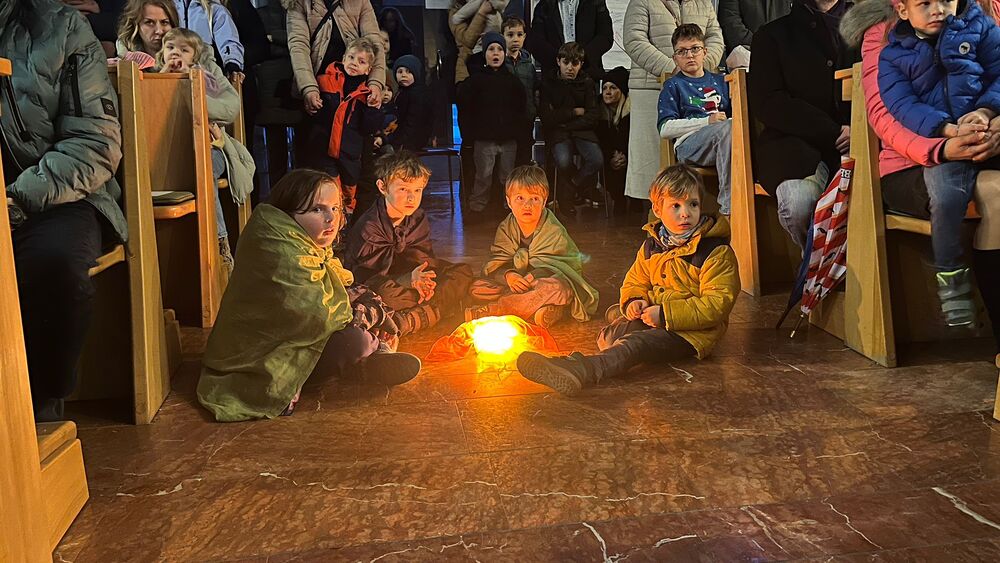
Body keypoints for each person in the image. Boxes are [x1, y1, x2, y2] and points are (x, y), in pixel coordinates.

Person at [197, 169, 421, 422]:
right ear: (289, 213)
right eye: (317, 209)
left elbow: (338, 287)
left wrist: (374, 306)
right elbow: (319, 315)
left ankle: (368, 357)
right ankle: (365, 358)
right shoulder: (279, 249)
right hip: (261, 356)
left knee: (367, 310)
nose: (331, 218)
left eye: (335, 208)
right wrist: (373, 317)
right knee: (354, 341)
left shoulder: (302, 242)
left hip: (299, 331)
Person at [841, 0, 1000, 341]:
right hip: (917, 160)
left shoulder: (979, 20)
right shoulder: (886, 37)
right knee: (994, 194)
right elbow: (888, 113)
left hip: (983, 138)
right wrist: (942, 144)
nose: (937, 9)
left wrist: (993, 120)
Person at [3, 0, 126, 421]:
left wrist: (17, 199)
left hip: (56, 192)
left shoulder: (62, 27)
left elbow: (94, 143)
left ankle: (39, 407)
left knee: (53, 263)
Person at [516, 165, 740, 395]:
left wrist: (665, 314)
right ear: (657, 209)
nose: (686, 213)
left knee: (635, 345)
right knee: (609, 337)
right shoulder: (653, 245)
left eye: (693, 204)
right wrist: (635, 300)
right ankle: (621, 326)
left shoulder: (714, 251)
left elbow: (717, 305)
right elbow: (635, 281)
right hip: (656, 316)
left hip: (692, 332)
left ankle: (581, 369)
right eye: (676, 205)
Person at [748, 0, 856, 252]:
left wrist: (859, 129)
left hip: (864, 142)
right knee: (799, 205)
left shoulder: (871, 28)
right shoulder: (771, 35)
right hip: (795, 146)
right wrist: (833, 131)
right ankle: (817, 267)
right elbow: (768, 102)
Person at [344, 152, 474, 335]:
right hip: (383, 282)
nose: (411, 198)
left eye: (417, 190)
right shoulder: (369, 226)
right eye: (403, 189)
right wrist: (408, 280)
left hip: (412, 277)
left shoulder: (417, 217)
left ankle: (418, 314)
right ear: (382, 187)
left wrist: (424, 282)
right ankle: (435, 310)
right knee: (384, 295)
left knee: (462, 272)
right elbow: (369, 278)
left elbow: (424, 259)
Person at [156, 27, 249, 272]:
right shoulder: (154, 71)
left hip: (208, 144)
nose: (175, 53)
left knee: (203, 165)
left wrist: (188, 85)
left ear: (194, 56)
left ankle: (220, 244)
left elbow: (225, 108)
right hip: (166, 147)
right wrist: (165, 78)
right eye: (170, 48)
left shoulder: (204, 76)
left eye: (183, 50)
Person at [466, 165, 600, 327]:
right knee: (477, 288)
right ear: (509, 202)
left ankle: (497, 310)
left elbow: (562, 267)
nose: (527, 205)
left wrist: (532, 277)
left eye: (535, 199)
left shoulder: (554, 230)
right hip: (514, 284)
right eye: (520, 198)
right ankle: (544, 308)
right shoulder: (506, 227)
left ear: (544, 201)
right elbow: (496, 262)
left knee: (558, 289)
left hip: (541, 282)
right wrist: (509, 275)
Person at [623, 0, 723, 204]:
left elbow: (715, 38)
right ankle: (655, 210)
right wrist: (674, 68)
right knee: (652, 161)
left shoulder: (703, 3)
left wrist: (698, 66)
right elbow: (634, 39)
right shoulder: (642, 2)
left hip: (699, 86)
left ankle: (699, 207)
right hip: (651, 86)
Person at [658, 24, 733, 215]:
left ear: (704, 52)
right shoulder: (673, 85)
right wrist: (707, 121)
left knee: (738, 128)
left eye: (695, 49)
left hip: (724, 139)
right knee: (728, 129)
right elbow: (665, 129)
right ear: (675, 58)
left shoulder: (721, 81)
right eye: (682, 51)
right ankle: (730, 208)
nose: (689, 55)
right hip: (689, 146)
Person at [310, 36, 384, 220]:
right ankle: (333, 224)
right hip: (325, 148)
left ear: (369, 69)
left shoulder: (367, 93)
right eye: (351, 57)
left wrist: (372, 109)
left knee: (350, 192)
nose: (354, 63)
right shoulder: (324, 81)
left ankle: (347, 223)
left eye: (361, 61)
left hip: (350, 153)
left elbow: (368, 128)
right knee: (329, 189)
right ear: (343, 58)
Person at [457, 32, 527, 215]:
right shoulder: (475, 81)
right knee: (483, 176)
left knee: (508, 176)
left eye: (499, 49)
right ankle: (477, 207)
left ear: (504, 53)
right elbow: (466, 110)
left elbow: (521, 110)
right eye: (491, 49)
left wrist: (520, 135)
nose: (495, 53)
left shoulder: (513, 82)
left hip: (509, 139)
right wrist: (469, 136)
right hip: (484, 138)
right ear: (484, 54)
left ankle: (508, 207)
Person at [284, 0, 385, 114]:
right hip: (318, 83)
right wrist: (308, 87)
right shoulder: (298, 2)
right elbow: (299, 46)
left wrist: (375, 83)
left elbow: (374, 42)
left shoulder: (360, 1)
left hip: (355, 84)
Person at [539, 41, 603, 213]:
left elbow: (593, 116)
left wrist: (564, 121)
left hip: (581, 131)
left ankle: (570, 188)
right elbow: (547, 116)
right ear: (558, 61)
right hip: (558, 132)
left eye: (575, 63)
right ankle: (569, 192)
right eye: (566, 62)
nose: (570, 68)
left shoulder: (587, 82)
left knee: (596, 159)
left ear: (581, 64)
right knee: (563, 160)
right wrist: (574, 112)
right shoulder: (548, 83)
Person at [527, 0, 613, 78]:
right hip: (553, 77)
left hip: (588, 74)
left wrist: (582, 57)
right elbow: (536, 42)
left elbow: (606, 36)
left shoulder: (595, 3)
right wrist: (561, 62)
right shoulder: (544, 5)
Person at [171, 0, 245, 83]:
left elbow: (228, 40)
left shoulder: (214, 10)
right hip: (172, 74)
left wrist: (232, 64)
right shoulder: (169, 8)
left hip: (207, 76)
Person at [503, 15, 541, 166]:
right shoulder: (501, 64)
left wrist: (533, 110)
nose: (515, 39)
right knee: (507, 161)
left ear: (524, 37)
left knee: (524, 157)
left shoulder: (528, 65)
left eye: (519, 35)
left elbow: (534, 90)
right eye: (510, 35)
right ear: (503, 36)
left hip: (526, 118)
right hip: (506, 120)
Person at [596, 66, 631, 216]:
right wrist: (612, 156)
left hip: (628, 154)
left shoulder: (630, 112)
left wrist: (623, 156)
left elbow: (629, 139)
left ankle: (632, 201)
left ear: (621, 91)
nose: (608, 92)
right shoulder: (598, 109)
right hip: (609, 155)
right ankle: (619, 200)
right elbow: (601, 140)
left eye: (613, 88)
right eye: (605, 88)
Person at [386, 54, 434, 151]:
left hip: (412, 139)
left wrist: (398, 141)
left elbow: (413, 122)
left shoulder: (418, 94)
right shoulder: (401, 92)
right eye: (400, 72)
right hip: (402, 135)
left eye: (408, 72)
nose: (403, 75)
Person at [449, 0, 503, 82]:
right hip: (467, 64)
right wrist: (481, 13)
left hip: (493, 61)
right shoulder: (455, 11)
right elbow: (467, 41)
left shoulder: (489, 4)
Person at [717, 0, 792, 56]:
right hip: (745, 57)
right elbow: (730, 22)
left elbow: (794, 22)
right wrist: (760, 45)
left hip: (783, 56)